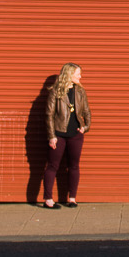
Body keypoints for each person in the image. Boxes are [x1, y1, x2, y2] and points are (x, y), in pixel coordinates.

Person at [39, 62, 90, 209]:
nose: (80, 76)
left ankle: (72, 198)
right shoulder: (55, 92)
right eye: (78, 73)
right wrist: (51, 136)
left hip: (75, 134)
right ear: (69, 74)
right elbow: (49, 115)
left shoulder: (80, 92)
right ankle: (48, 199)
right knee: (52, 166)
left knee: (74, 166)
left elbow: (87, 112)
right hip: (58, 134)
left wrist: (85, 127)